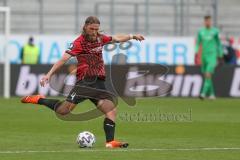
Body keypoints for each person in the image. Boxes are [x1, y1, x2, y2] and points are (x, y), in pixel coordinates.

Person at [21, 16, 144, 148]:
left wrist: (132, 36)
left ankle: (110, 142)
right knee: (63, 111)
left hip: (99, 83)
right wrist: (49, 74)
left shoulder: (100, 38)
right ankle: (40, 99)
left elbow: (117, 39)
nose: (94, 32)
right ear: (85, 27)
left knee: (111, 110)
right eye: (92, 29)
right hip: (84, 83)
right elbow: (63, 59)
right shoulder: (79, 42)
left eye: (96, 29)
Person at [195, 15, 223, 100]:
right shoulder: (200, 32)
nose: (208, 22)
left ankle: (203, 93)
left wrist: (220, 55)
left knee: (207, 73)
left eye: (209, 21)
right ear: (204, 22)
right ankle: (212, 94)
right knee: (207, 76)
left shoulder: (215, 31)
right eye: (206, 21)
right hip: (204, 56)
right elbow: (198, 43)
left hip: (212, 55)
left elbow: (219, 43)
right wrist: (196, 52)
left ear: (211, 21)